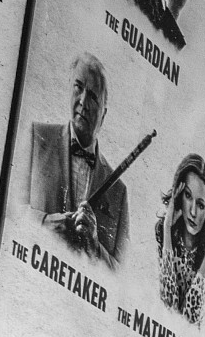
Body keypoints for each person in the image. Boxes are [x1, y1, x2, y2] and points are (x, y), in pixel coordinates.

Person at [27, 54, 129, 265]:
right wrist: (45, 223)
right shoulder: (36, 138)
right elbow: (8, 211)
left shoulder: (119, 192)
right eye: (78, 87)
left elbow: (120, 275)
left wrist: (94, 246)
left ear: (104, 115)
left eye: (93, 96)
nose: (83, 101)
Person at [156, 155, 205, 323]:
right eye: (187, 196)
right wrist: (167, 232)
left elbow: (188, 320)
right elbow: (167, 304)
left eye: (200, 205)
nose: (193, 212)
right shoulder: (160, 236)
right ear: (179, 195)